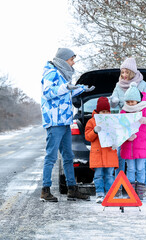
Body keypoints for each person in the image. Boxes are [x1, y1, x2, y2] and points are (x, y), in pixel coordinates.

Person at [40, 47, 95, 202]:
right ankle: (45, 190)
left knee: (68, 156)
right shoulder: (51, 72)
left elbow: (66, 93)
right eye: (71, 59)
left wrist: (82, 88)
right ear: (64, 60)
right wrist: (66, 87)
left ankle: (72, 189)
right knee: (51, 156)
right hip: (54, 121)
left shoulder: (62, 74)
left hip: (64, 121)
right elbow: (48, 92)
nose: (73, 62)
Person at [110, 57, 146, 188]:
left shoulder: (143, 85)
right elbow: (113, 108)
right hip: (124, 125)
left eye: (126, 72)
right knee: (120, 155)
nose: (124, 75)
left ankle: (142, 187)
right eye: (122, 72)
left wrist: (139, 115)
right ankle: (121, 186)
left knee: (142, 159)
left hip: (140, 125)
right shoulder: (118, 86)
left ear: (132, 72)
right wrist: (114, 103)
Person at [120, 82, 146, 199]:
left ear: (137, 101)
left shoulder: (144, 109)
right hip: (129, 146)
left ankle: (140, 191)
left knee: (140, 168)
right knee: (130, 168)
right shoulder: (124, 111)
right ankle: (131, 192)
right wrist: (126, 136)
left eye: (132, 101)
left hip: (141, 146)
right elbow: (119, 126)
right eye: (128, 102)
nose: (130, 104)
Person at [84, 97, 119, 203]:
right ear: (98, 111)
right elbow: (88, 137)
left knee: (109, 175)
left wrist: (115, 144)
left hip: (110, 153)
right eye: (102, 111)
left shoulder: (113, 121)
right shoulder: (91, 122)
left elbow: (118, 135)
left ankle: (109, 194)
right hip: (97, 154)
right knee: (98, 175)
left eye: (106, 111)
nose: (104, 113)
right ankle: (100, 194)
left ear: (109, 111)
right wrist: (94, 131)